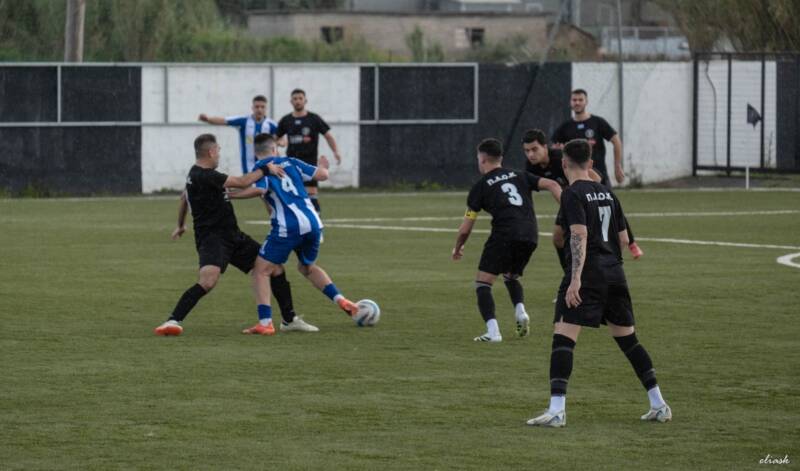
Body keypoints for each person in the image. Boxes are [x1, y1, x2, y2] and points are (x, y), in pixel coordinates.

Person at [527, 139, 671, 428]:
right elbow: (624, 239)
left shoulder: (571, 194)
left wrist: (575, 279)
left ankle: (557, 410)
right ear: (591, 164)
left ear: (564, 164)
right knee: (629, 341)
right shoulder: (607, 192)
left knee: (563, 338)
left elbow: (578, 234)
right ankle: (658, 403)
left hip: (588, 274)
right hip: (615, 274)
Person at [154, 133, 291, 336]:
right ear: (211, 152)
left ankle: (290, 319)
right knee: (208, 281)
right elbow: (242, 182)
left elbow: (184, 198)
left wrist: (181, 225)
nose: (219, 153)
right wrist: (265, 169)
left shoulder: (197, 175)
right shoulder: (205, 175)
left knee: (274, 267)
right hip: (213, 239)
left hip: (233, 236)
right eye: (218, 150)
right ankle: (172, 321)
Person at [234, 134, 359, 336]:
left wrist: (230, 195)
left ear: (256, 153)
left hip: (288, 226)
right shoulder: (292, 161)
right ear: (274, 148)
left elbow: (258, 190)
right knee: (306, 267)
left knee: (260, 270)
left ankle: (265, 322)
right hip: (313, 223)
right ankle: (341, 300)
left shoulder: (261, 168)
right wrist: (324, 166)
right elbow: (322, 175)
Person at [451, 138, 562, 342]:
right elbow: (553, 184)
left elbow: (466, 227)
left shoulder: (480, 187)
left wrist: (458, 246)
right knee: (511, 276)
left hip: (504, 234)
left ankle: (493, 332)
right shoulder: (520, 175)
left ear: (482, 159)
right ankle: (521, 312)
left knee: (483, 283)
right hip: (530, 235)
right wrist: (568, 209)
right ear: (500, 158)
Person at [522, 129, 603, 272]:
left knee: (586, 240)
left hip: (587, 199)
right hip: (570, 202)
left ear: (545, 147)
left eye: (534, 149)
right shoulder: (530, 166)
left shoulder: (561, 158)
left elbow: (597, 179)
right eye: (527, 151)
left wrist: (589, 197)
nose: (531, 155)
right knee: (558, 239)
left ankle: (588, 273)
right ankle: (570, 273)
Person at [276, 89, 342, 215]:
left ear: (305, 100)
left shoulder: (313, 119)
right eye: (295, 99)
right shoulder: (286, 120)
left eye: (300, 98)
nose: (298, 101)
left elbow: (328, 136)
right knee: (294, 194)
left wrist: (336, 152)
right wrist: (280, 143)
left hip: (309, 162)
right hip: (292, 163)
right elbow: (275, 138)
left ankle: (316, 221)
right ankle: (299, 221)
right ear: (291, 101)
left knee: (311, 194)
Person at [198, 95, 278, 175]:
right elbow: (224, 120)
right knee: (249, 182)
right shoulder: (244, 121)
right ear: (252, 108)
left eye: (262, 107)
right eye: (257, 107)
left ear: (266, 108)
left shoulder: (272, 124)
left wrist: (279, 142)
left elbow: (282, 140)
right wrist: (208, 119)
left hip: (267, 164)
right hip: (248, 166)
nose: (259, 109)